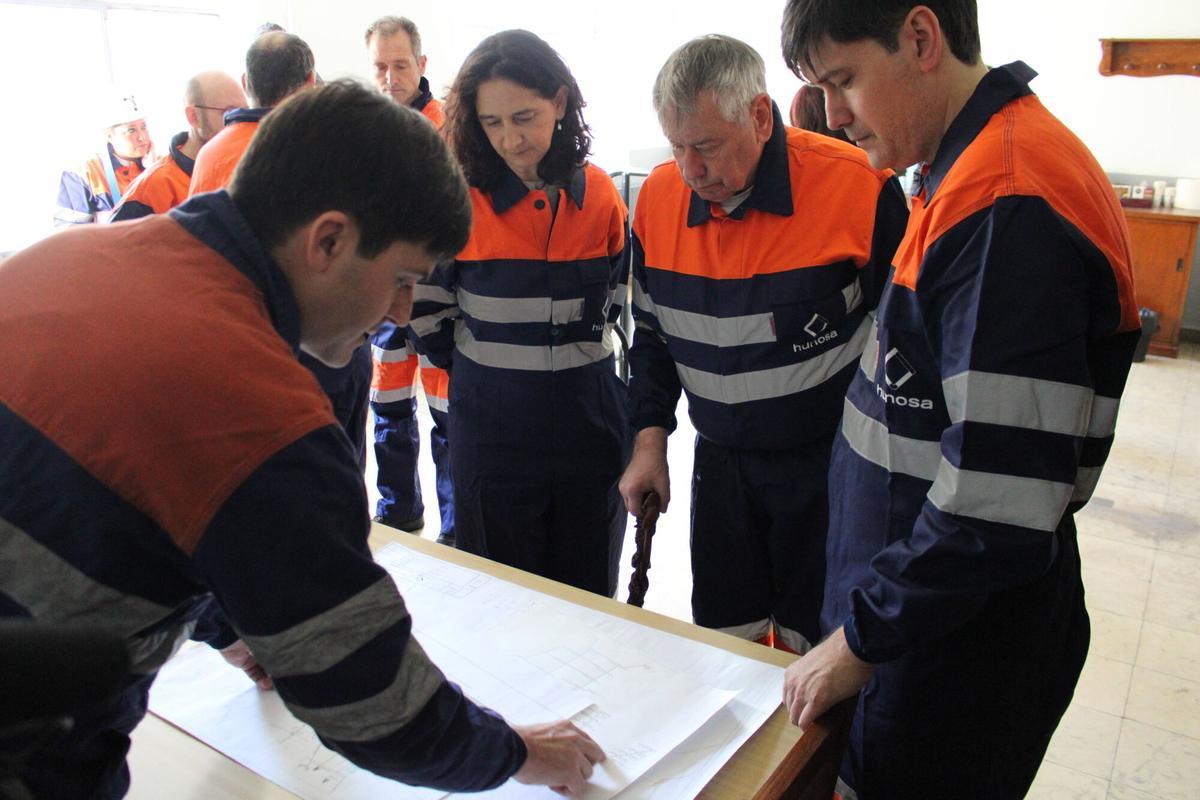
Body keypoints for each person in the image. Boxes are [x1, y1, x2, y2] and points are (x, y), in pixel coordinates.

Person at [0, 79, 604, 800]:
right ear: (328, 240)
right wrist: (520, 755)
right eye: (403, 279)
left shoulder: (62, 258)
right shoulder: (259, 413)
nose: (401, 313)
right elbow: (378, 706)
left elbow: (122, 512)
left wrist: (226, 624)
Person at [778, 2, 1141, 797]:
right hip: (920, 619)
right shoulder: (963, 168)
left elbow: (995, 506)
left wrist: (859, 642)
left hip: (953, 648)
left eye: (844, 81)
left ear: (919, 38)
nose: (834, 117)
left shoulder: (1005, 206)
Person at [619, 35, 907, 652]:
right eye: (675, 146)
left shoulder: (858, 188)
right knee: (726, 643)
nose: (690, 170)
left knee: (819, 646)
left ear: (758, 115)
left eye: (705, 146)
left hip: (830, 470)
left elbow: (908, 347)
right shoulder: (659, 203)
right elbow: (652, 340)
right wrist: (649, 446)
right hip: (721, 472)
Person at [408, 29, 631, 596]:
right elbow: (428, 309)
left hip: (591, 420)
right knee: (507, 601)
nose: (511, 139)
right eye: (492, 122)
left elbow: (615, 297)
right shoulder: (455, 199)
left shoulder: (601, 194)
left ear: (559, 103)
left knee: (589, 598)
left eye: (525, 116)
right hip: (493, 426)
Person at [187, 31, 371, 464]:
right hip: (323, 350)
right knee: (335, 479)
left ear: (247, 80)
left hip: (238, 352)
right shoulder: (325, 149)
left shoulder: (211, 155)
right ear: (310, 78)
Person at [365, 15, 454, 542]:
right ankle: (398, 513)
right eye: (380, 66)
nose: (390, 76)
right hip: (381, 298)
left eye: (400, 65)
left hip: (437, 293)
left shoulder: (451, 128)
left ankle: (456, 530)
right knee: (389, 409)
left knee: (447, 420)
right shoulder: (364, 129)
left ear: (421, 65)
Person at [110, 71, 246, 222]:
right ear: (193, 116)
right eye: (229, 113)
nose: (240, 123)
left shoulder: (242, 171)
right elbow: (109, 243)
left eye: (244, 113)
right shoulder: (151, 190)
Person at [55, 94, 153, 225]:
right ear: (109, 136)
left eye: (143, 127)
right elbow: (71, 236)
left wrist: (154, 170)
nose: (142, 137)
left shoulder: (162, 165)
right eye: (131, 130)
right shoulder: (84, 174)